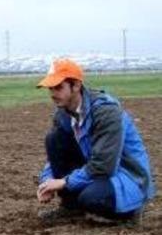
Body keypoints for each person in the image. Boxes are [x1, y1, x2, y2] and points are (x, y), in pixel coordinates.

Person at [36, 58, 154, 224]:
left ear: (76, 85)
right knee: (54, 139)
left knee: (91, 198)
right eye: (50, 88)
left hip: (126, 174)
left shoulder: (106, 112)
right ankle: (71, 207)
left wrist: (63, 182)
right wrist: (47, 182)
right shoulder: (63, 113)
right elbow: (55, 156)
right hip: (97, 168)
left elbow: (104, 165)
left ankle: (130, 214)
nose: (53, 94)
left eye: (58, 87)